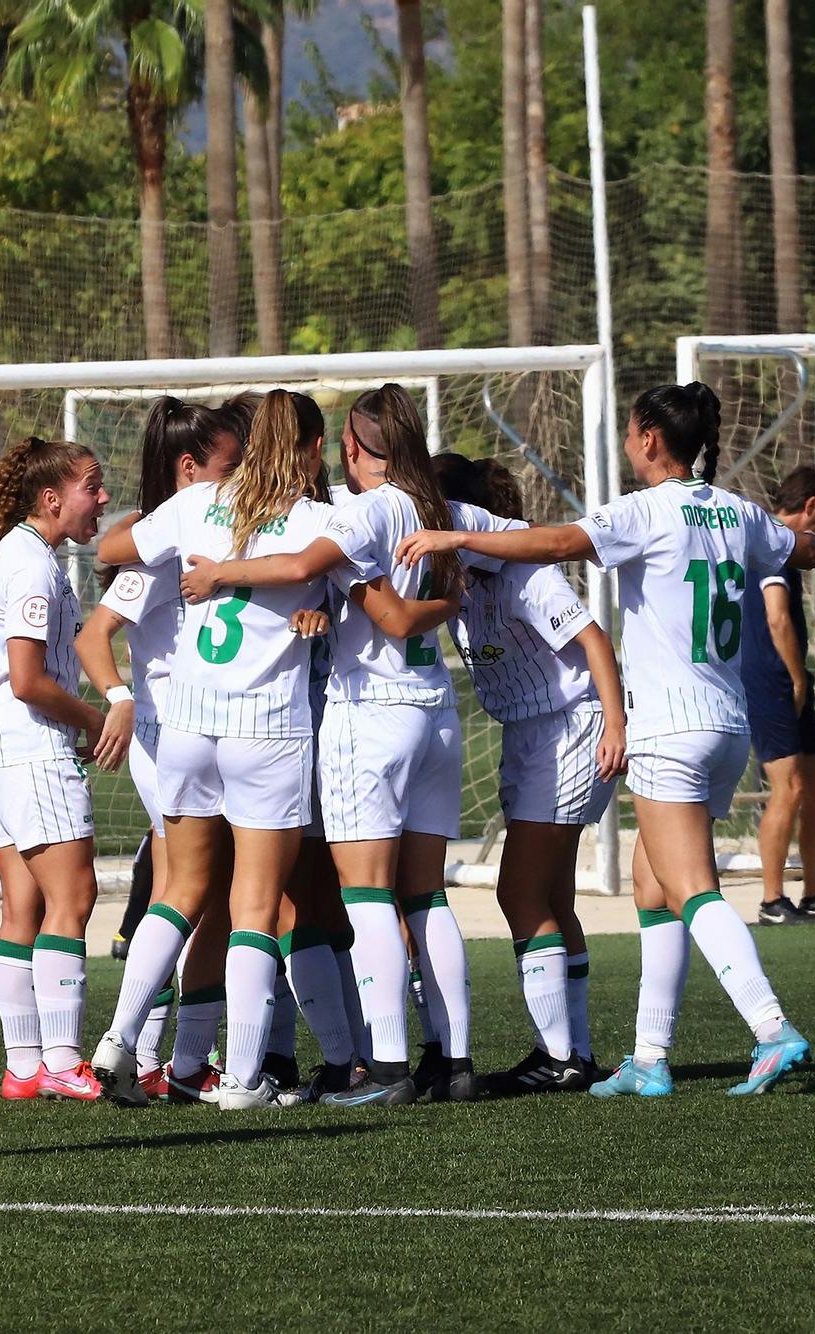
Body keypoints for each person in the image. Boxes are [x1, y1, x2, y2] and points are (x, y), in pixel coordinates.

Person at [398, 382, 815, 1100]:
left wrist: (460, 534)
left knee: (691, 889)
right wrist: (797, 534)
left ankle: (770, 1026)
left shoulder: (644, 511)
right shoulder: (740, 514)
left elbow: (555, 541)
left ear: (651, 441)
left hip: (668, 724)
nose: (629, 444)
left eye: (631, 433)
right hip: (728, 727)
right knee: (652, 887)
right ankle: (649, 1059)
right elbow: (808, 550)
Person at [89, 390, 435, 1110]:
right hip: (267, 728)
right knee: (253, 906)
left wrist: (184, 533)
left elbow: (110, 549)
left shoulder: (200, 500)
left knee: (177, 892)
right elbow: (349, 586)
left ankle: (120, 1038)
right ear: (311, 450)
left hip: (185, 723)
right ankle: (243, 1078)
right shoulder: (321, 519)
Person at [178, 384, 497, 1107]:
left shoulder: (361, 513)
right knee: (427, 893)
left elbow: (309, 573)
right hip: (438, 713)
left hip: (373, 715)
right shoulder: (443, 510)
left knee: (366, 892)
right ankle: (455, 1061)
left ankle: (383, 1072)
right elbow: (506, 547)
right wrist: (448, 602)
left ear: (350, 450)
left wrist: (221, 571)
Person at [429, 452, 626, 1094]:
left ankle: (558, 1055)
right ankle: (576, 1053)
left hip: (572, 727)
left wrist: (617, 724)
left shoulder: (522, 570)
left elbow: (594, 641)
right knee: (551, 898)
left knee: (518, 893)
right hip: (529, 732)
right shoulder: (460, 585)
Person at [77, 398, 244, 1102]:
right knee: (195, 889)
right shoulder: (155, 547)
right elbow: (93, 638)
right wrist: (119, 697)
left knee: (209, 897)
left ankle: (163, 1059)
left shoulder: (218, 537)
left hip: (212, 733)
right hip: (169, 737)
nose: (238, 480)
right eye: (228, 467)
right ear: (190, 470)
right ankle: (146, 1053)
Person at [0, 436, 111, 1103]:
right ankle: (60, 1056)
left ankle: (24, 1064)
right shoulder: (31, 565)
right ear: (51, 498)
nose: (102, 499)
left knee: (23, 906)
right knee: (72, 898)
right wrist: (92, 717)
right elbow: (26, 679)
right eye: (92, 486)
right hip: (28, 748)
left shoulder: (16, 556)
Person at [739, 466, 815, 927]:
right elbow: (777, 618)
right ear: (812, 505)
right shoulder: (771, 543)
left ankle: (814, 894)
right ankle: (773, 901)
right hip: (769, 676)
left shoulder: (778, 542)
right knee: (788, 787)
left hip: (789, 677)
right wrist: (795, 677)